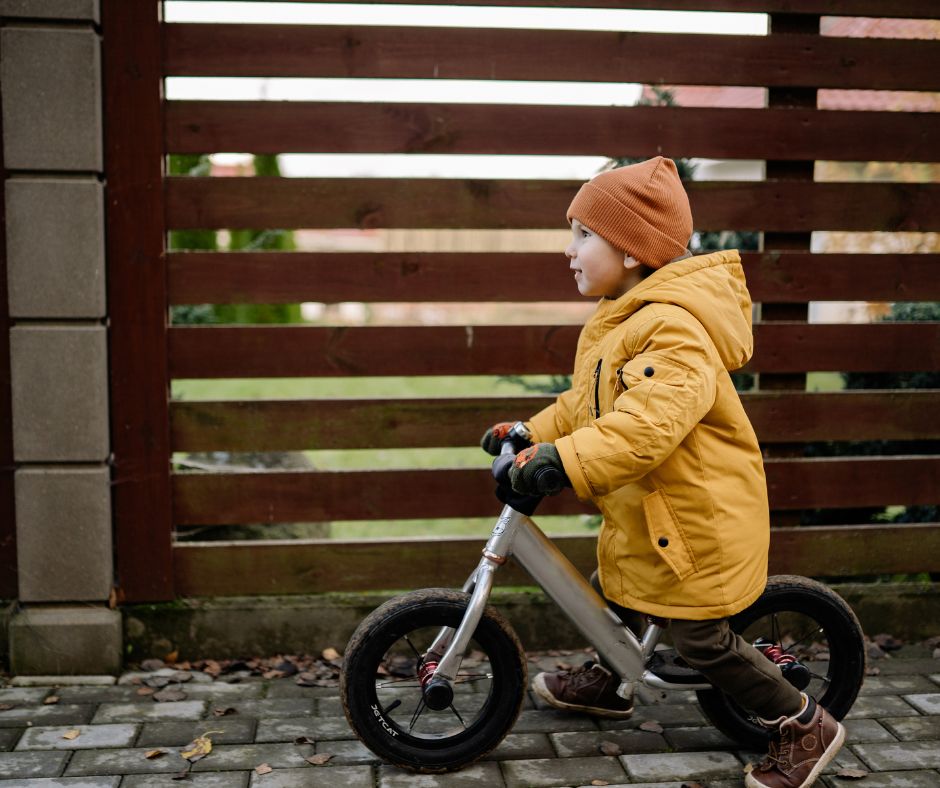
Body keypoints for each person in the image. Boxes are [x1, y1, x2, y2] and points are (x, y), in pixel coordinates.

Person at [480, 156, 844, 788]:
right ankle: (614, 678)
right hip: (657, 517)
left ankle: (806, 725)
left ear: (630, 250)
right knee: (612, 586)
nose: (570, 251)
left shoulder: (674, 329)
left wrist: (562, 463)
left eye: (583, 235)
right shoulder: (622, 317)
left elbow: (646, 427)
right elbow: (584, 405)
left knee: (699, 640)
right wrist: (533, 434)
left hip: (700, 522)